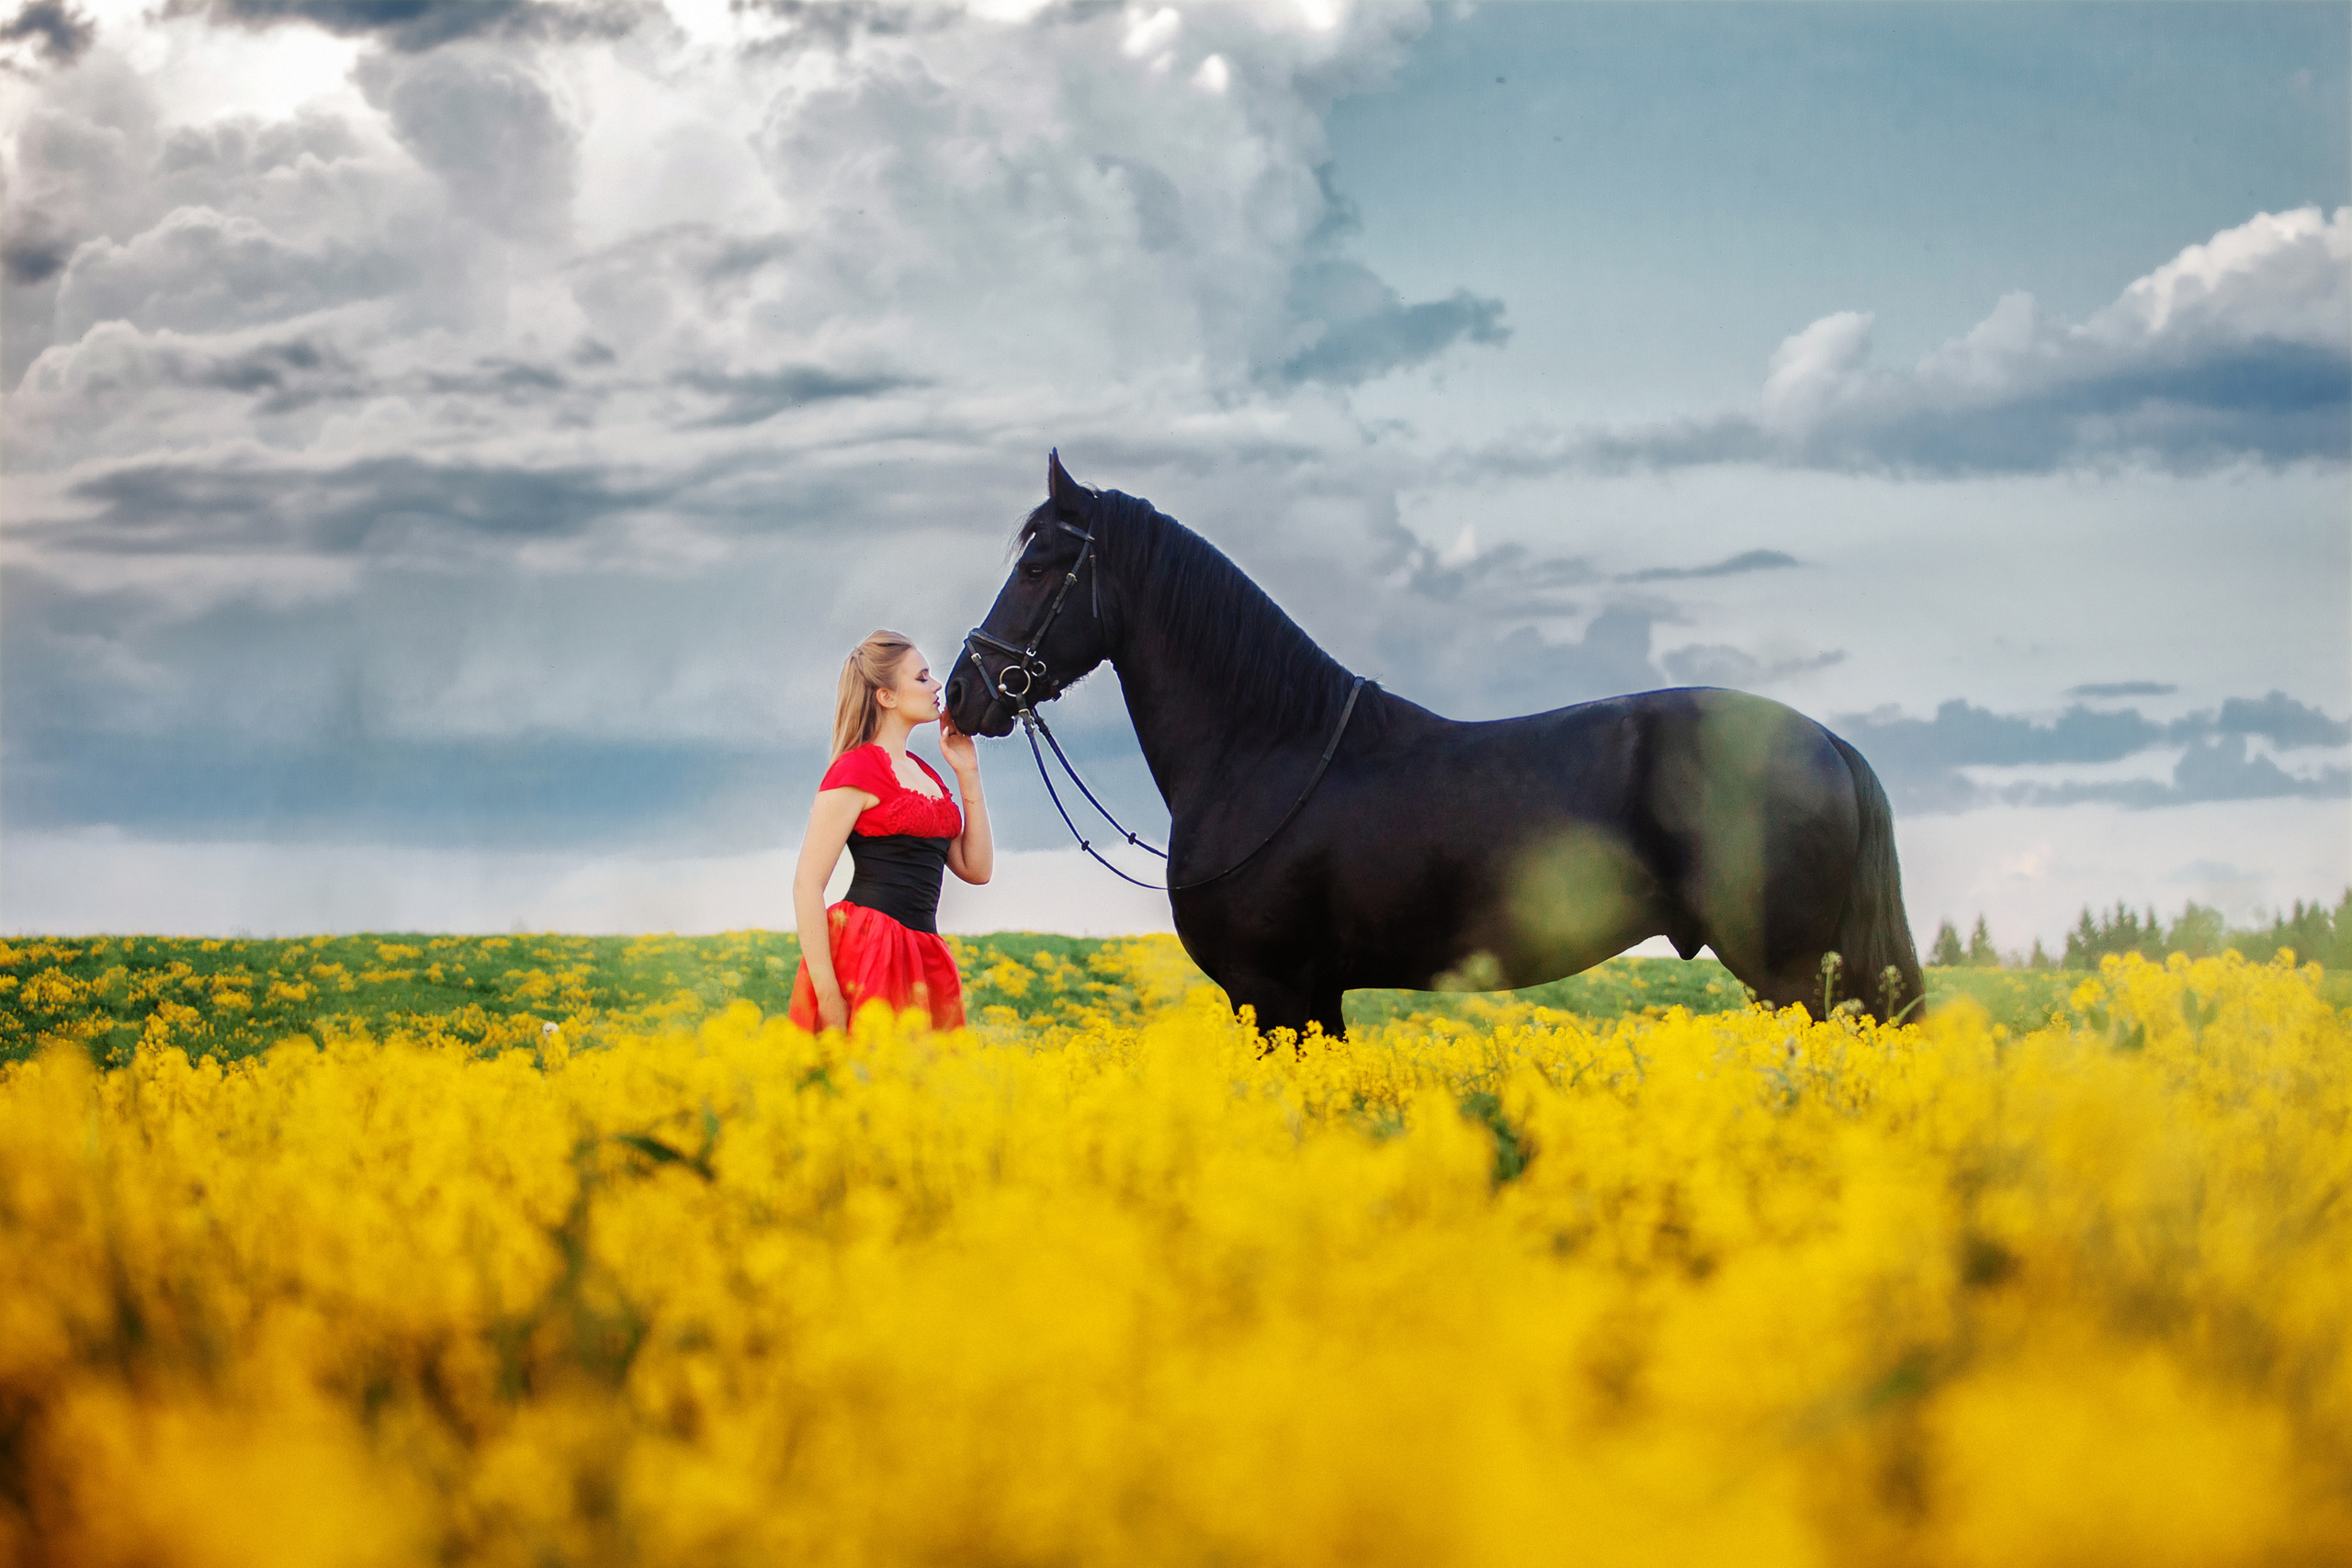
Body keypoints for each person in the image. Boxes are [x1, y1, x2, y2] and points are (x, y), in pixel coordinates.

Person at [789, 630, 994, 1031]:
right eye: (922, 678)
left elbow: (978, 869)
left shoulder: (926, 774)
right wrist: (828, 995)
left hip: (925, 954)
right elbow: (807, 884)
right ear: (886, 696)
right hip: (871, 949)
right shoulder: (856, 768)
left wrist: (968, 773)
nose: (937, 686)